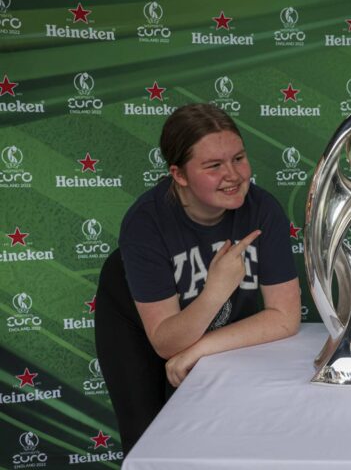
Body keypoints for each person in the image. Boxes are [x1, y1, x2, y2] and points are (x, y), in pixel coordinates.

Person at [95, 103, 301, 453]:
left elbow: (285, 317)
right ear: (179, 175)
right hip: (137, 325)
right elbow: (166, 342)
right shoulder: (145, 223)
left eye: (238, 158)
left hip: (211, 329)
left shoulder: (263, 209)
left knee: (223, 437)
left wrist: (202, 349)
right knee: (149, 442)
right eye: (213, 166)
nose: (233, 175)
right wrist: (216, 290)